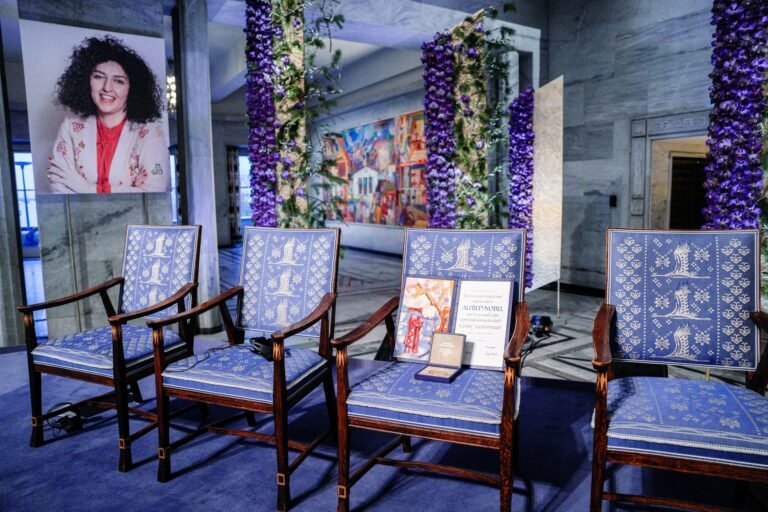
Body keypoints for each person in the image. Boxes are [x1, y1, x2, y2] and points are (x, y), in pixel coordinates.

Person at [47, 36, 169, 193]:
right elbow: (58, 184)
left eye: (118, 81)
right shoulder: (71, 127)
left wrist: (85, 188)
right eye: (98, 77)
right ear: (86, 81)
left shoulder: (151, 133)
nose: (107, 88)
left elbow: (155, 191)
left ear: (132, 88)